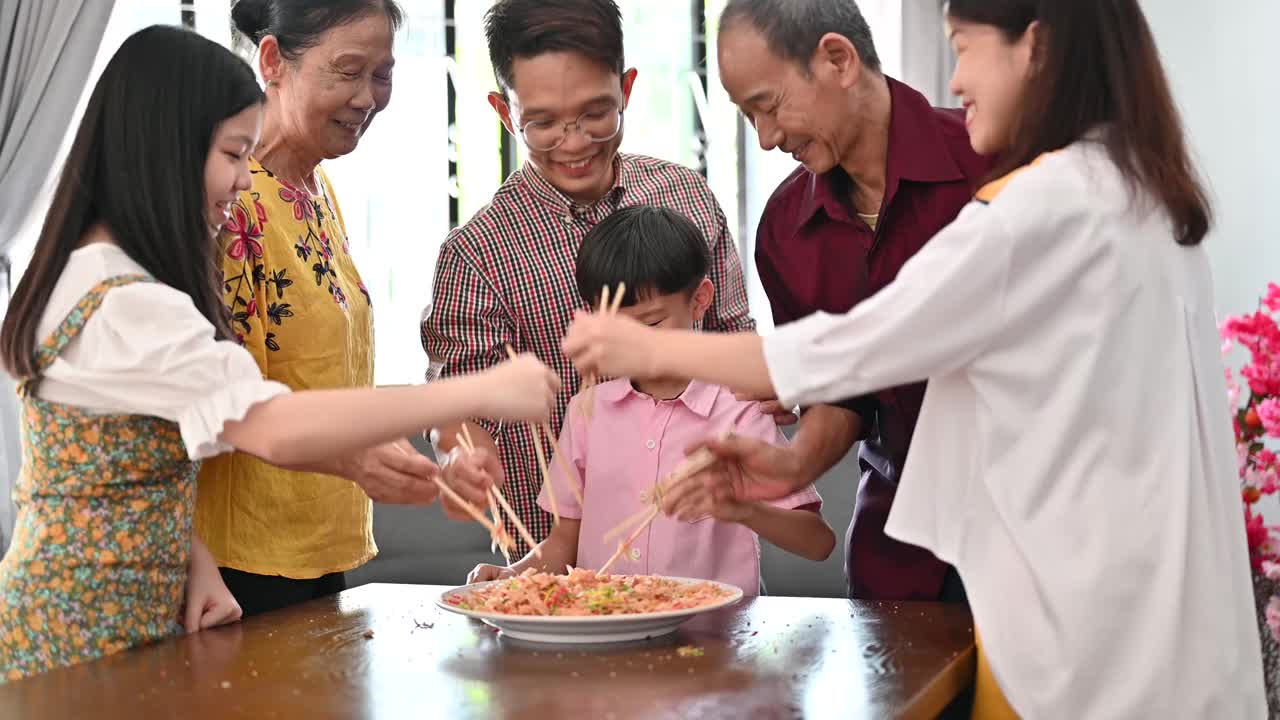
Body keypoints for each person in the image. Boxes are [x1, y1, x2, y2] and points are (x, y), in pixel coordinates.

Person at [561, 0, 1267, 715]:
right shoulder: (1140, 191)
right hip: (1032, 571)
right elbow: (855, 381)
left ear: (1034, 47)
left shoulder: (1030, 199)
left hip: (1064, 578)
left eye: (962, 47)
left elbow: (860, 345)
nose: (954, 79)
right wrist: (796, 458)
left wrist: (648, 344)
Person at [0, 25, 558, 683]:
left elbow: (117, 468)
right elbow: (273, 425)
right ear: (165, 149)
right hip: (84, 636)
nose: (243, 182)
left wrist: (196, 562)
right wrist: (475, 392)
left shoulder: (83, 274)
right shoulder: (132, 304)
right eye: (233, 155)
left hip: (73, 618)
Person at [421, 0, 755, 559]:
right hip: (556, 574)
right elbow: (457, 411)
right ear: (506, 112)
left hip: (706, 564)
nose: (574, 144)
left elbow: (735, 347)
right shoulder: (476, 253)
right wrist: (462, 460)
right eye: (544, 124)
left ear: (626, 88)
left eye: (597, 114)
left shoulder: (686, 197)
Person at [712, 0, 991, 602]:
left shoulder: (990, 166)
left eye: (768, 105)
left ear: (837, 59)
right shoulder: (785, 229)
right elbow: (846, 399)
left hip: (1028, 542)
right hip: (898, 557)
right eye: (747, 117)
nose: (765, 139)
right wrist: (792, 464)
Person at [467, 207, 833, 592]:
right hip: (603, 635)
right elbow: (563, 543)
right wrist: (510, 579)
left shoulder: (741, 409)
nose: (638, 342)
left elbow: (817, 542)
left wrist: (744, 509)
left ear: (700, 299)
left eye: (654, 323)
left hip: (717, 643)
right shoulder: (586, 412)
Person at [195, 0, 418, 618]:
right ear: (273, 61)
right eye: (348, 72)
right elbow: (222, 403)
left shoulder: (316, 187)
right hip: (246, 561)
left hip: (319, 544)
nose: (368, 98)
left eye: (383, 75)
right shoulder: (233, 204)